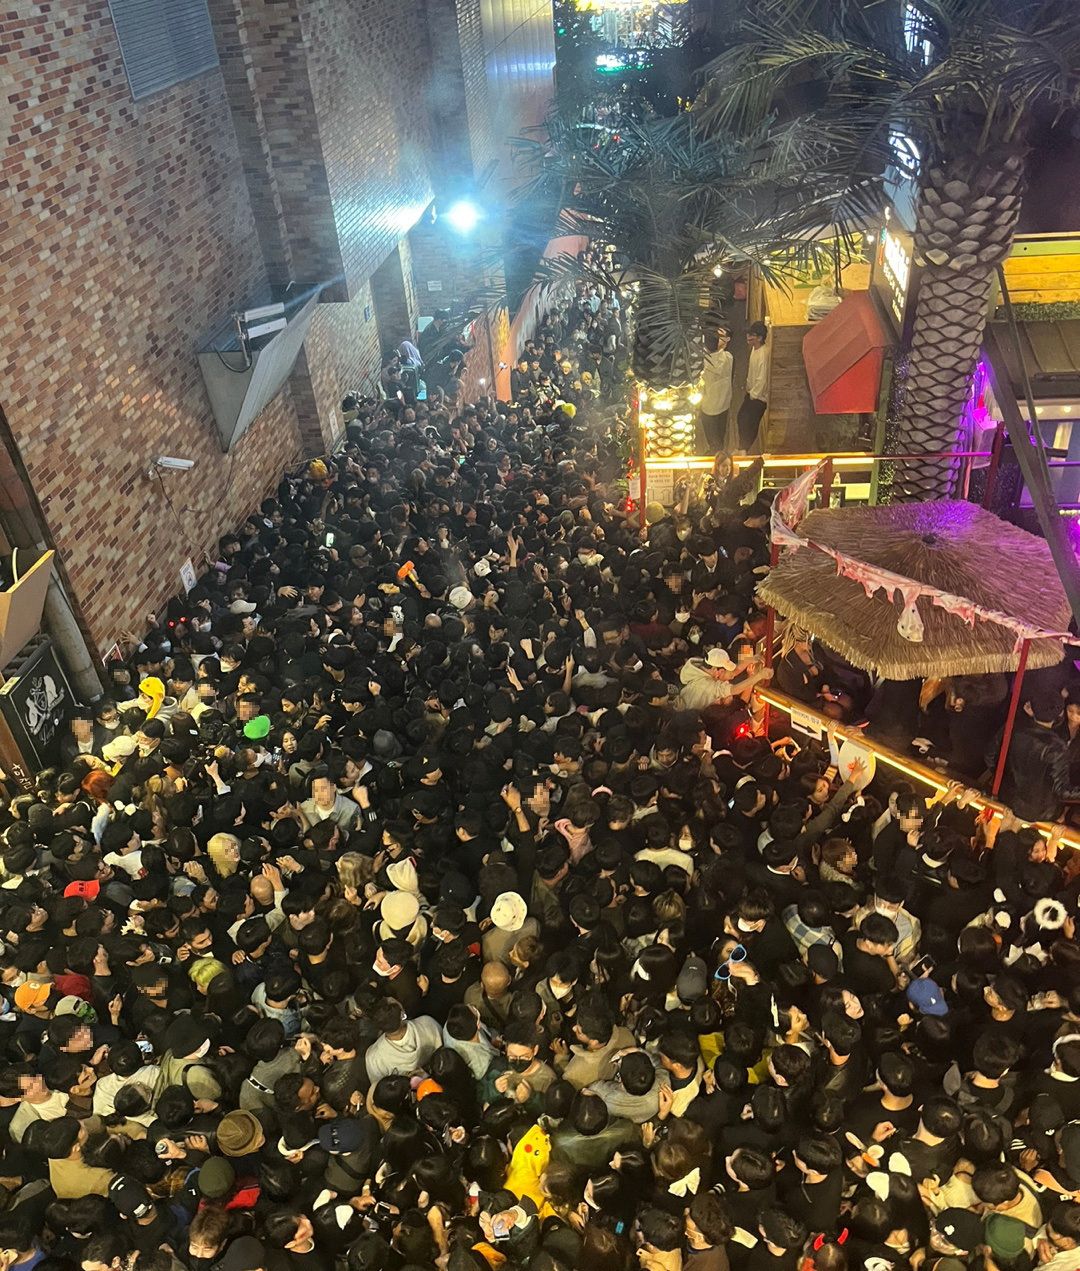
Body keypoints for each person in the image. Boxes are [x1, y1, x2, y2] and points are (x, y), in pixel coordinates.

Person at [699, 327, 734, 452]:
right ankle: (720, 452)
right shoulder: (729, 358)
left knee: (712, 438)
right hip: (724, 403)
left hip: (708, 407)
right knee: (721, 434)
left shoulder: (703, 364)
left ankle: (716, 456)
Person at [737, 321, 769, 453]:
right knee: (741, 417)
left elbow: (762, 379)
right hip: (751, 392)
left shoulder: (763, 355)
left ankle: (744, 449)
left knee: (750, 422)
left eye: (752, 335)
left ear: (760, 338)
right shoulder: (755, 349)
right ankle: (742, 447)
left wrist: (753, 395)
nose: (748, 337)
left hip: (759, 397)